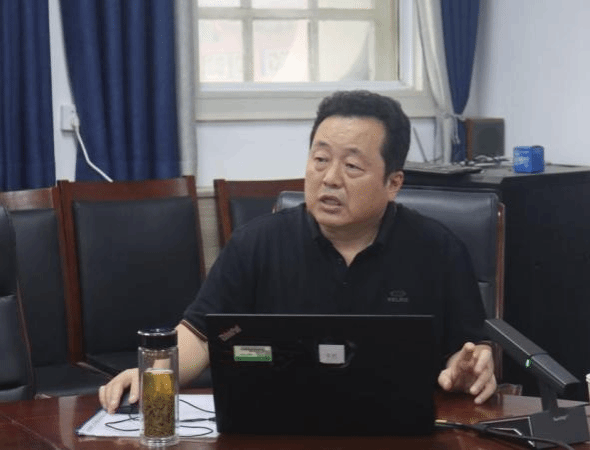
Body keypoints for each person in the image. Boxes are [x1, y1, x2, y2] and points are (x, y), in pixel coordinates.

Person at [99, 90, 497, 414]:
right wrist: (155, 375)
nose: (330, 178)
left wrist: (469, 368)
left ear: (393, 183)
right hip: (279, 425)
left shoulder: (439, 250)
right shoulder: (256, 244)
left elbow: (465, 351)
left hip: (400, 428)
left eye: (352, 167)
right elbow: (200, 335)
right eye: (320, 160)